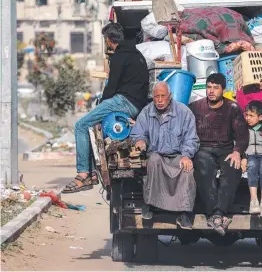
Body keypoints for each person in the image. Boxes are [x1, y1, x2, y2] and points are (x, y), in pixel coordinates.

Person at [63, 23, 149, 194]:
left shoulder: (119, 55)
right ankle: (93, 174)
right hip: (136, 105)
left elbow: (111, 87)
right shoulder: (137, 54)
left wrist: (101, 103)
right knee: (94, 127)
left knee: (81, 125)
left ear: (109, 40)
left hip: (122, 101)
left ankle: (83, 174)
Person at [130, 82, 199, 228]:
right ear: (153, 98)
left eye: (163, 96)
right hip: (157, 155)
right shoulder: (146, 112)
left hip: (178, 156)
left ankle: (185, 213)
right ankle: (150, 205)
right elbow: (138, 132)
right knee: (153, 161)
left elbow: (191, 138)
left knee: (187, 169)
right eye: (156, 97)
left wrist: (187, 155)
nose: (160, 100)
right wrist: (140, 140)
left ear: (170, 96)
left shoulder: (184, 112)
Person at [189, 73, 249, 236]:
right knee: (203, 168)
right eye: (209, 87)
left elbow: (242, 135)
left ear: (223, 90)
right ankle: (214, 213)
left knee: (233, 168)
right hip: (203, 149)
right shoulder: (195, 107)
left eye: (216, 88)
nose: (211, 91)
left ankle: (218, 213)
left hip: (226, 149)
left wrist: (237, 152)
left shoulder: (233, 108)